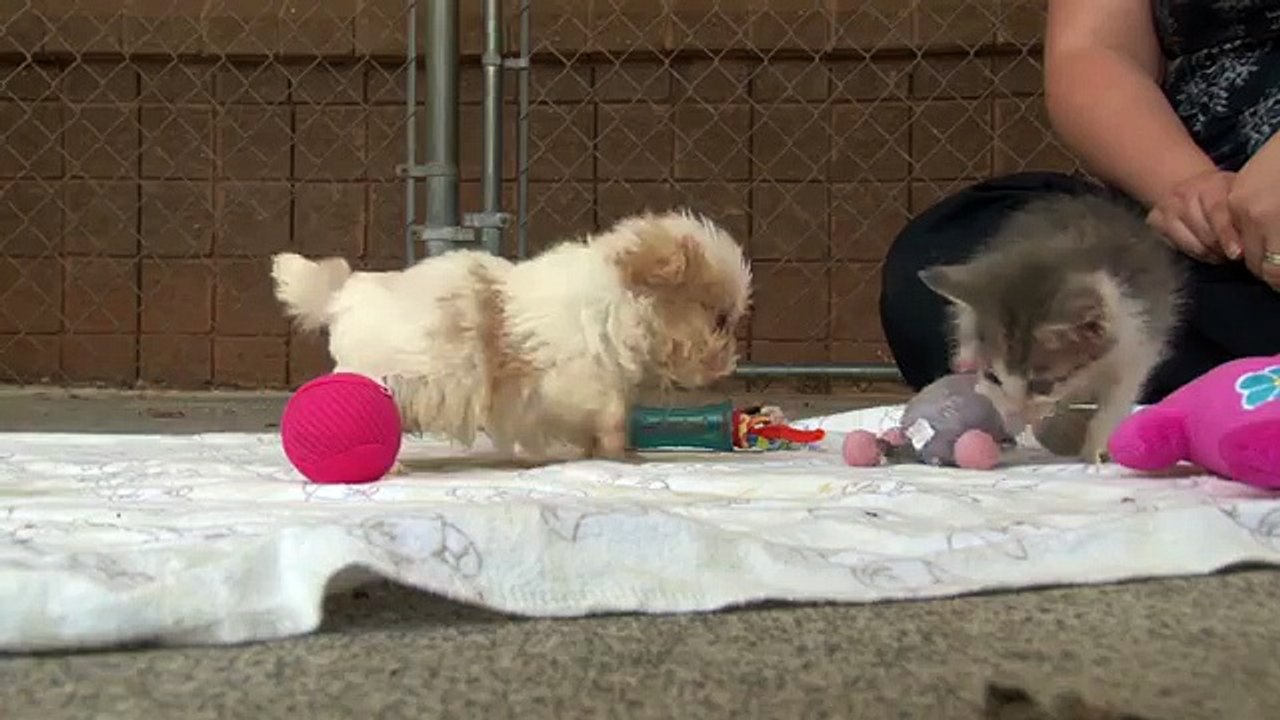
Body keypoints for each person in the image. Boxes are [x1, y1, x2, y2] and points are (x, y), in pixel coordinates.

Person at [879, 0, 1280, 402]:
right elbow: (1094, 52)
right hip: (1205, 251)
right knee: (956, 251)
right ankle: (1231, 395)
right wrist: (1191, 190)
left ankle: (1213, 399)